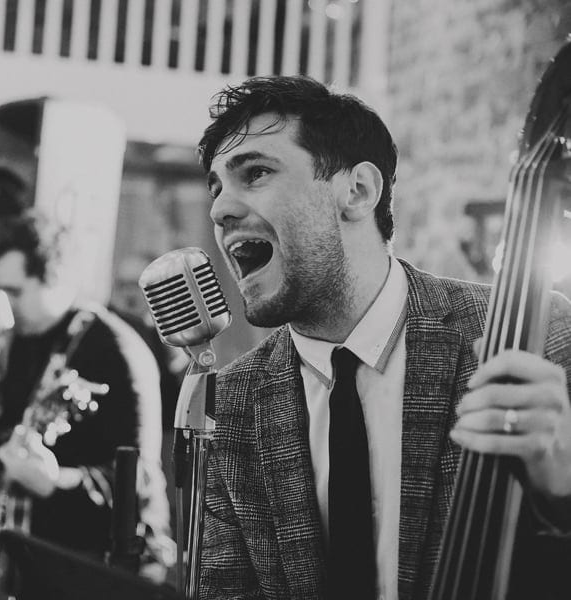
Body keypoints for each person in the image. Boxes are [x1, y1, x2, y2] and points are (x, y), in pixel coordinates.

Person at [196, 76, 571, 599]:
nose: (219, 210)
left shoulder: (539, 336)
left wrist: (563, 491)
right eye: (215, 188)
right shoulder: (230, 400)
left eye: (254, 173)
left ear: (358, 191)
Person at [0, 213, 174, 583]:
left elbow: (138, 481)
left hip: (107, 569)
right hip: (38, 563)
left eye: (14, 291)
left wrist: (55, 481)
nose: (2, 305)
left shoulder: (117, 350)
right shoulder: (16, 344)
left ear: (53, 278)